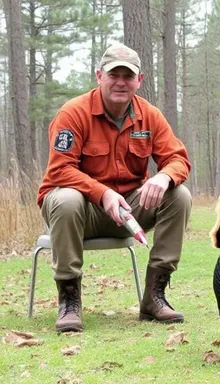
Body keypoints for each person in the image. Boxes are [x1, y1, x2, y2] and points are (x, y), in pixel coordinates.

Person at [36, 43, 192, 333]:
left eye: (128, 76)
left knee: (178, 195)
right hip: (81, 213)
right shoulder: (73, 113)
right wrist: (102, 192)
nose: (121, 82)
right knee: (67, 198)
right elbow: (59, 170)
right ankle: (69, 300)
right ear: (99, 76)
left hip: (128, 212)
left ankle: (154, 297)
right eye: (113, 74)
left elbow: (178, 159)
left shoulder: (150, 116)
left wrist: (163, 177)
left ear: (139, 80)